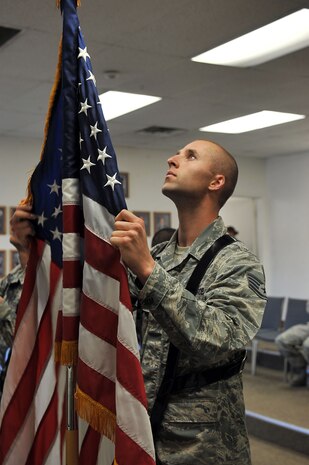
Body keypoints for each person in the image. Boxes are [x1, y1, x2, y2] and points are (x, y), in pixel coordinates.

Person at [12, 140, 267, 465]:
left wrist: (148, 270)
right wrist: (29, 248)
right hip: (141, 431)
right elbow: (97, 310)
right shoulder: (158, 255)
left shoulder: (238, 262)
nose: (172, 159)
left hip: (204, 447)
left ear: (215, 182)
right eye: (176, 152)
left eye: (190, 156)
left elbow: (220, 340)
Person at [0, 230, 29, 397]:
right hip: (7, 387)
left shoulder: (49, 282)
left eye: (21, 220)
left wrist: (3, 309)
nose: (13, 223)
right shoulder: (10, 280)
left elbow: (26, 345)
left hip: (31, 389)